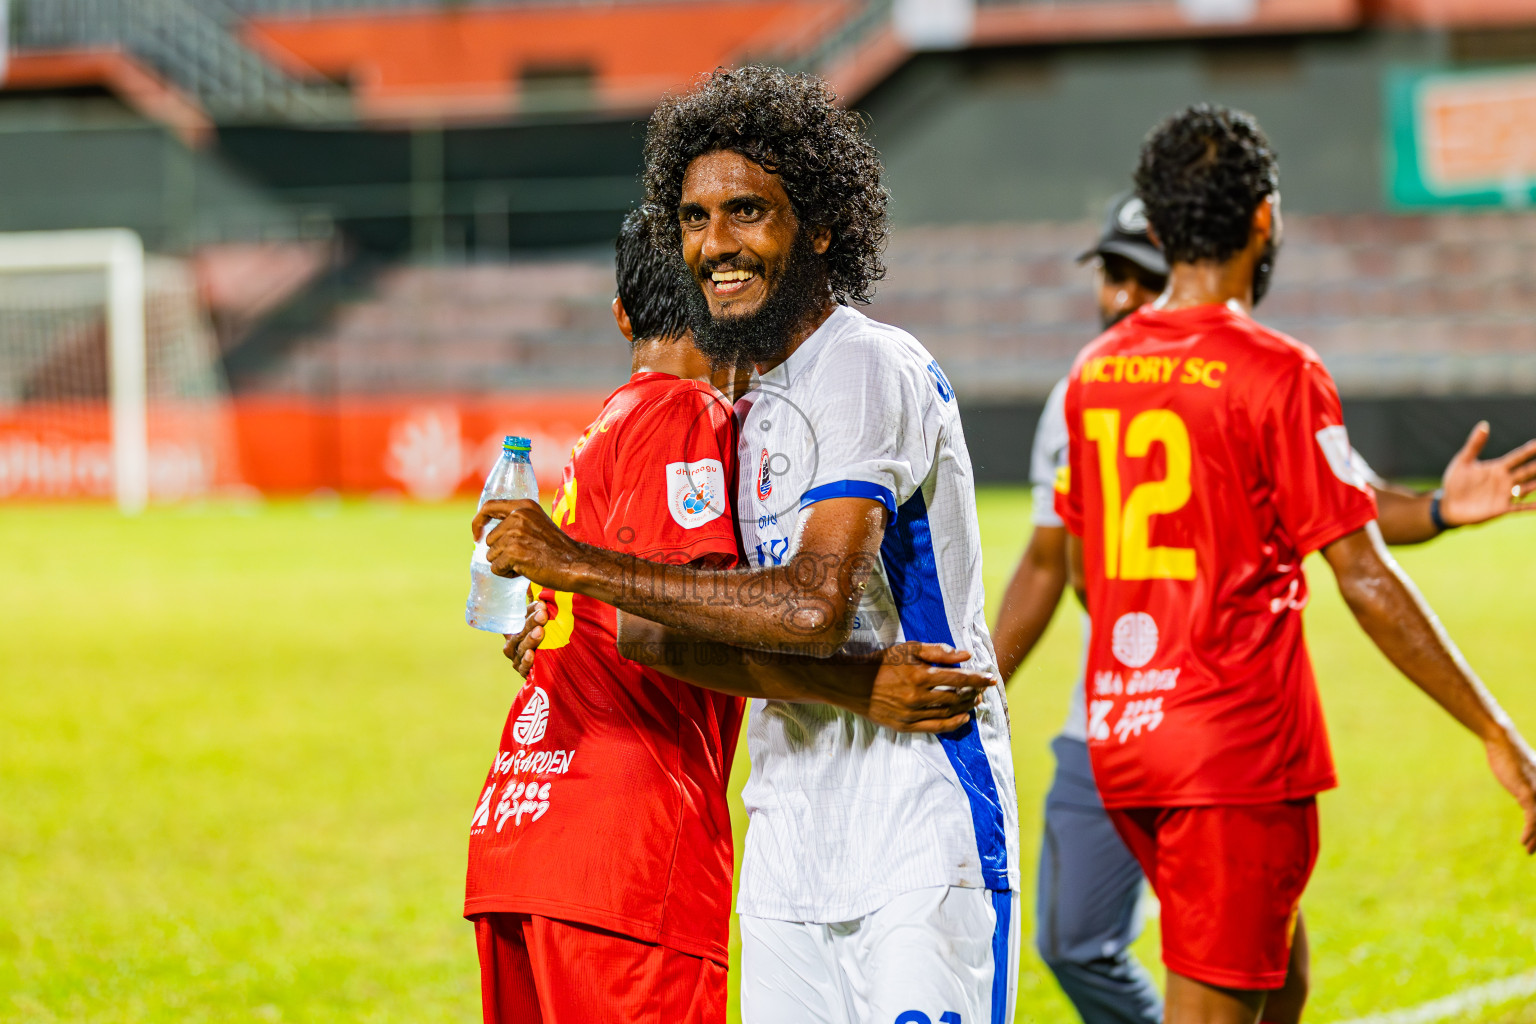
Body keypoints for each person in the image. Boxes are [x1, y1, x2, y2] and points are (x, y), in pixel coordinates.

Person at [480, 66, 1022, 1024]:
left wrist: (577, 566)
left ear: (817, 224)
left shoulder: (860, 361)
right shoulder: (740, 412)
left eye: (744, 213)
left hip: (916, 818)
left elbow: (815, 601)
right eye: (692, 218)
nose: (714, 246)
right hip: (784, 836)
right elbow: (659, 636)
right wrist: (589, 618)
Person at [995, 193, 1536, 1024]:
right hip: (1219, 739)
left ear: (1175, 256)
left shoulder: (1096, 382)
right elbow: (1357, 566)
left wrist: (1432, 511)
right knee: (1112, 950)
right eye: (1113, 275)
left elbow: (1340, 500)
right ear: (1261, 222)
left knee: (1274, 971)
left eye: (1139, 274)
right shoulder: (1257, 369)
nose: (1124, 295)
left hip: (1126, 725)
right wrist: (1497, 727)